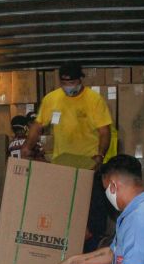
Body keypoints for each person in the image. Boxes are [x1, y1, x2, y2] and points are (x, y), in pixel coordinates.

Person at [21, 62, 114, 251]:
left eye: (71, 82)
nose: (68, 86)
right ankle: (66, 247)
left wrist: (100, 156)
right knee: (64, 209)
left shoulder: (93, 100)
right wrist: (27, 146)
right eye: (64, 82)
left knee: (93, 208)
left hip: (88, 164)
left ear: (80, 80)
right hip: (62, 164)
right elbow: (37, 126)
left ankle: (95, 247)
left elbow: (105, 131)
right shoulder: (52, 99)